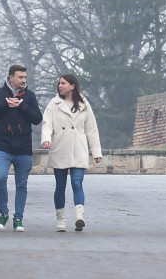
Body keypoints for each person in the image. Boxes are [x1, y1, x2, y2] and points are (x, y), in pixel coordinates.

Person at [0, 64, 42, 232]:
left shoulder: (29, 96)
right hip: (3, 147)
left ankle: (18, 218)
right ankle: (3, 212)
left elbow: (37, 118)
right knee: (0, 177)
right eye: (20, 77)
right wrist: (4, 104)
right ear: (11, 78)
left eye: (25, 77)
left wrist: (22, 106)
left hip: (23, 148)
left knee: (21, 184)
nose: (24, 80)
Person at [41, 73, 102, 233]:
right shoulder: (53, 104)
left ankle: (79, 216)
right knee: (60, 186)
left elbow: (92, 129)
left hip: (78, 149)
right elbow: (47, 124)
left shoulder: (83, 104)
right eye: (59, 83)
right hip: (60, 148)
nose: (60, 86)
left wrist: (96, 152)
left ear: (72, 86)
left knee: (77, 183)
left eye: (63, 83)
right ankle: (61, 220)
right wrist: (46, 139)